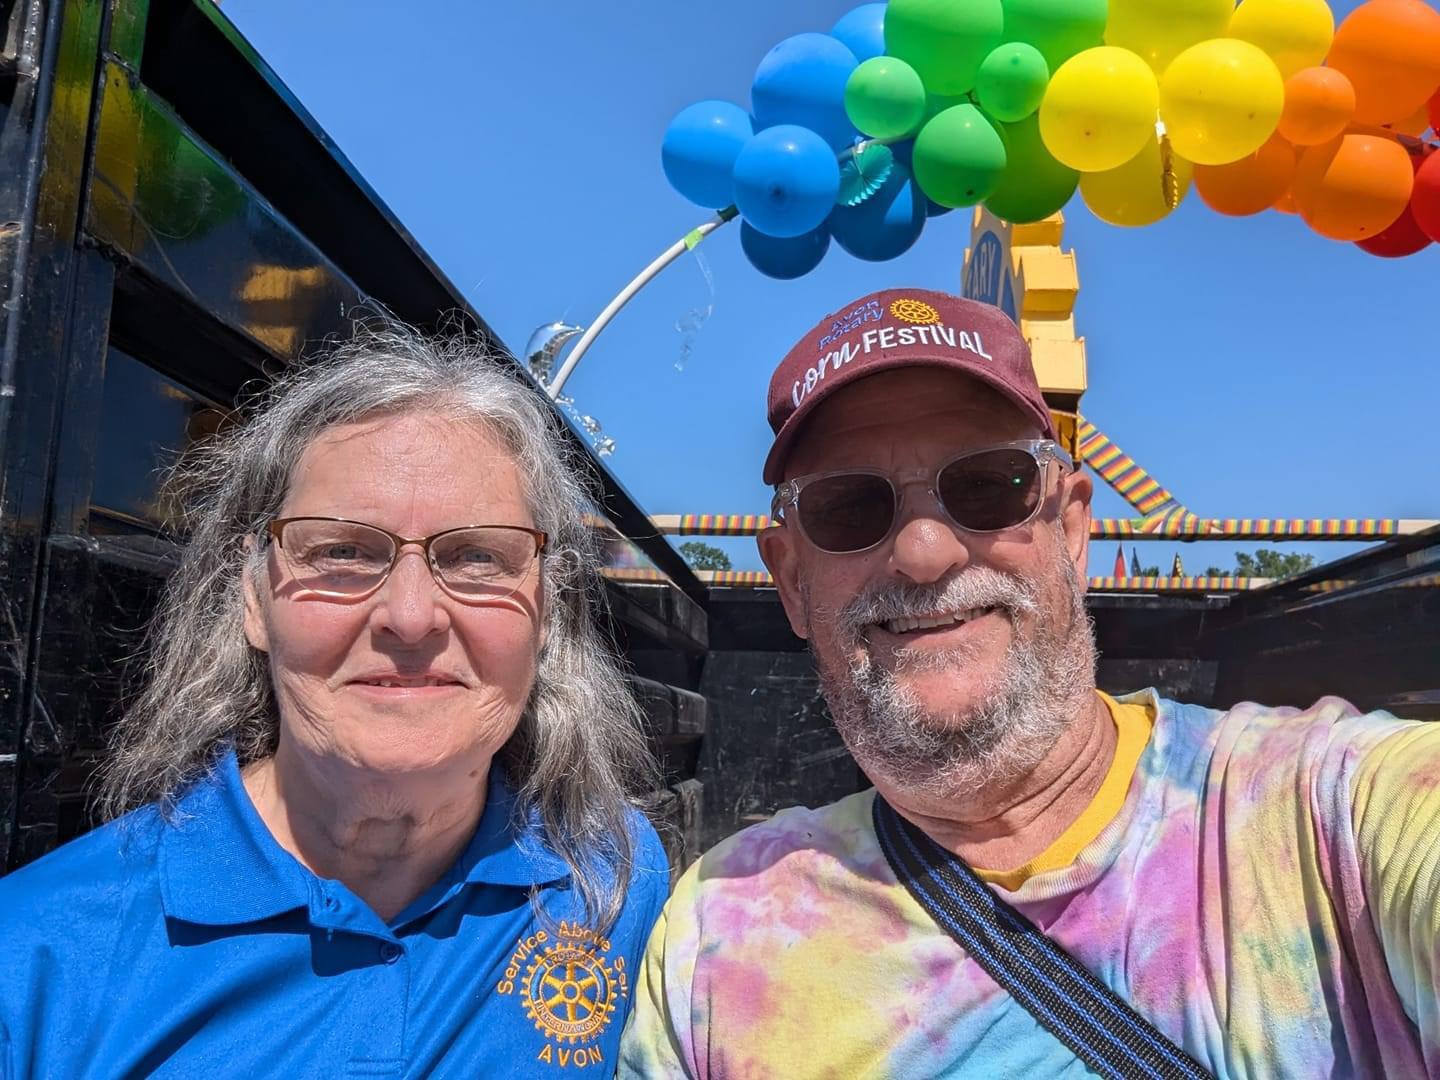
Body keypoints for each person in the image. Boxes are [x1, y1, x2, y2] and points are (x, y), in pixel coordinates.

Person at [620, 288, 1440, 1078]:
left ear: (1073, 530)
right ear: (793, 583)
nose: (925, 553)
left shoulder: (1332, 815)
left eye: (987, 486)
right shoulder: (716, 934)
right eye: (848, 507)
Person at [1, 326, 669, 1077]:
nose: (410, 617)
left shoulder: (609, 876)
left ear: (545, 610)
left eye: (478, 556)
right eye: (342, 552)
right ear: (253, 597)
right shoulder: (34, 959)